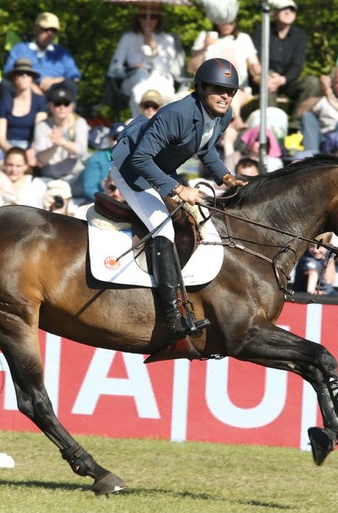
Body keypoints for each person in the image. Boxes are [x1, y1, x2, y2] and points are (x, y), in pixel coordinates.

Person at [110, 57, 247, 343]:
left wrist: (225, 176)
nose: (225, 96)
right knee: (164, 226)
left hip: (159, 168)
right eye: (218, 89)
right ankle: (172, 318)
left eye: (230, 91)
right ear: (200, 88)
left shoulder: (223, 113)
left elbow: (206, 148)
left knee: (196, 221)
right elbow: (139, 158)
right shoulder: (177, 114)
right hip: (130, 168)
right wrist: (177, 189)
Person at [188, 0, 260, 127]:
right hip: (210, 89)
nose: (227, 24)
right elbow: (191, 68)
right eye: (223, 19)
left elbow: (255, 66)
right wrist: (204, 47)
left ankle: (234, 121)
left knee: (231, 96)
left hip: (239, 90)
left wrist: (258, 72)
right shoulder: (205, 36)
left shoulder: (243, 38)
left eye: (230, 20)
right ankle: (235, 123)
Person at [107, 4, 185, 114]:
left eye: (153, 17)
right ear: (138, 19)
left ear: (158, 20)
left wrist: (153, 48)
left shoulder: (167, 40)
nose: (148, 21)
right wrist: (130, 69)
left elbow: (165, 69)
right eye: (144, 17)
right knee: (140, 81)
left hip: (160, 79)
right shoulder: (128, 38)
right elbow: (114, 69)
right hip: (134, 79)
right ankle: (140, 122)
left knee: (164, 90)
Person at [250, 0, 319, 115]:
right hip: (265, 78)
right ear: (275, 12)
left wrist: (282, 80)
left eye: (292, 9)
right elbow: (256, 60)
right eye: (284, 9)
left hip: (288, 81)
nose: (288, 12)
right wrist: (268, 76)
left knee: (312, 83)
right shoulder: (261, 32)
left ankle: (297, 123)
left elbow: (297, 65)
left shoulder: (300, 37)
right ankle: (270, 124)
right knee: (267, 82)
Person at [3, 12, 81, 100]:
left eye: (53, 31)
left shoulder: (62, 53)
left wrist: (54, 80)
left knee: (70, 85)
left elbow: (75, 76)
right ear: (35, 29)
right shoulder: (20, 49)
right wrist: (30, 85)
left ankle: (68, 113)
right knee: (5, 85)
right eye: (45, 29)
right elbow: (8, 71)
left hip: (56, 93)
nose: (49, 33)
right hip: (25, 90)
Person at [33, 86, 89, 192]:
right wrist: (55, 146)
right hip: (49, 179)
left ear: (71, 106)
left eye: (66, 103)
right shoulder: (42, 126)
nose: (62, 107)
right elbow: (41, 159)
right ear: (50, 106)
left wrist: (63, 143)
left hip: (75, 177)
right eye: (57, 104)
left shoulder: (79, 122)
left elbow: (82, 151)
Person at [0, 58, 47, 163]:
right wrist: (13, 153)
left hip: (31, 148)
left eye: (28, 74)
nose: (24, 76)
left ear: (32, 79)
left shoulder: (40, 101)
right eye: (20, 73)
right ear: (14, 78)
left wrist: (31, 150)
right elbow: (0, 136)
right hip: (7, 147)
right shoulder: (5, 100)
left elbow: (39, 132)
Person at [81, 122, 124, 204]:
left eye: (123, 138)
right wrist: (110, 200)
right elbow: (89, 189)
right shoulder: (96, 158)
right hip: (101, 203)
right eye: (115, 137)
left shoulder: (135, 158)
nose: (119, 141)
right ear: (108, 138)